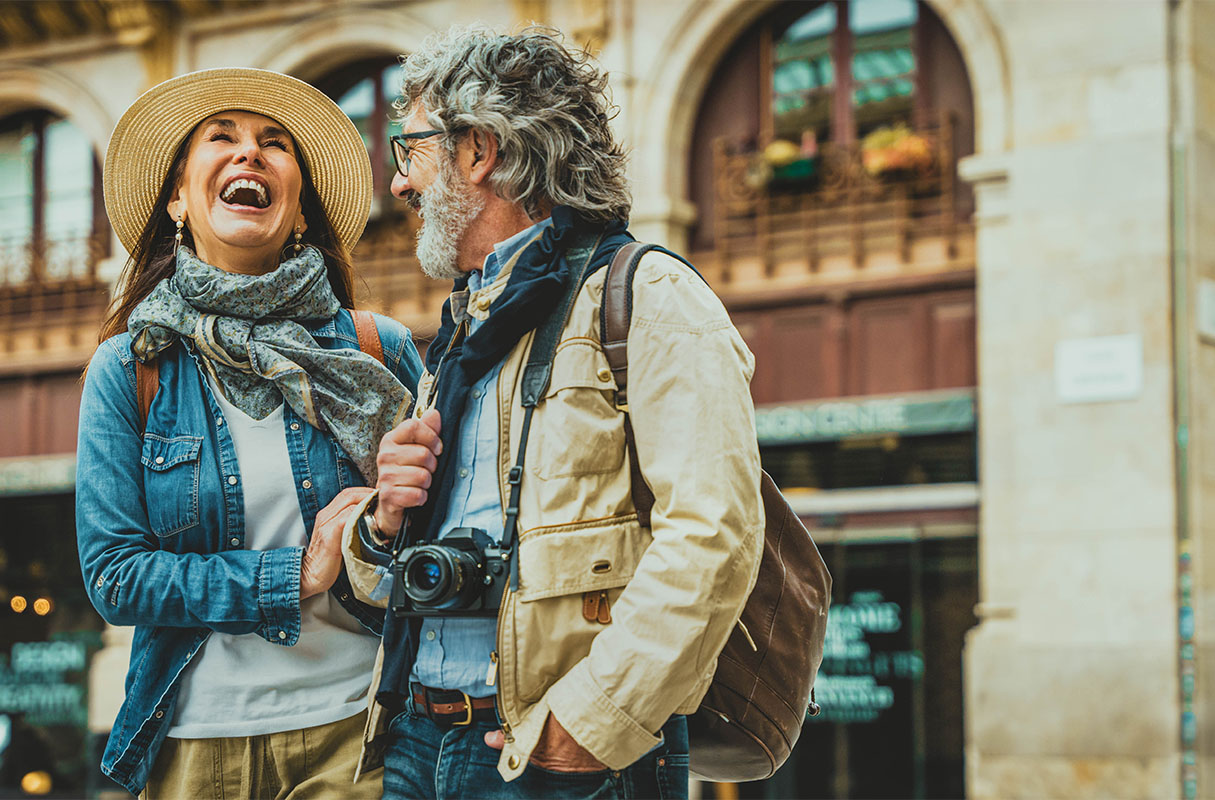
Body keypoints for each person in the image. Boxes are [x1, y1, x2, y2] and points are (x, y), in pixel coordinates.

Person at [340, 27, 765, 799]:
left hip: (548, 756)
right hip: (415, 741)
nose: (400, 184)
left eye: (412, 151)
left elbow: (715, 534)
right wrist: (385, 526)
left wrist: (592, 722)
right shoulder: (467, 326)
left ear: (479, 151)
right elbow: (385, 589)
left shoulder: (649, 297)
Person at [76, 68, 423, 799]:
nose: (249, 155)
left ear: (299, 209)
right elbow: (114, 577)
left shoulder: (376, 350)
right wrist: (290, 577)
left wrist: (386, 529)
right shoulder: (129, 368)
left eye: (275, 144)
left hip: (360, 727)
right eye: (222, 138)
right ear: (178, 198)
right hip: (196, 743)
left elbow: (443, 532)